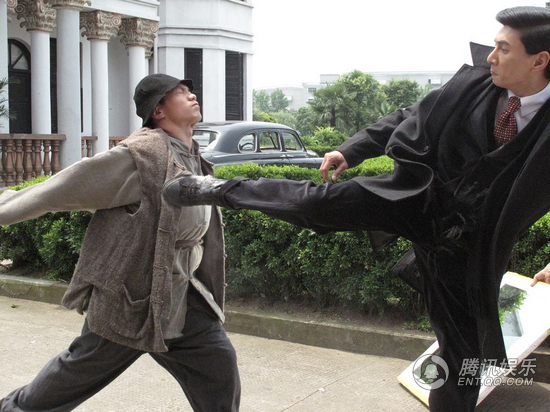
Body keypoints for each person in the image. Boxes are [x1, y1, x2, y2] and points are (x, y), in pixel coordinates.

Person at [162, 6, 550, 412]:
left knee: (464, 355)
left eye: (504, 49)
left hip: (470, 241)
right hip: (417, 197)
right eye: (494, 46)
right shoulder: (474, 85)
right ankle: (218, 188)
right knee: (317, 204)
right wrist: (352, 150)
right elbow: (411, 116)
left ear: (539, 60)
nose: (491, 56)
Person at [0, 74, 240, 411]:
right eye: (180, 92)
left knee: (218, 366)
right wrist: (5, 207)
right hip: (133, 298)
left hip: (183, 297)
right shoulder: (141, 156)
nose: (191, 95)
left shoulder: (191, 154)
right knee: (75, 373)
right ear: (158, 111)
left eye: (190, 90)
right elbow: (63, 188)